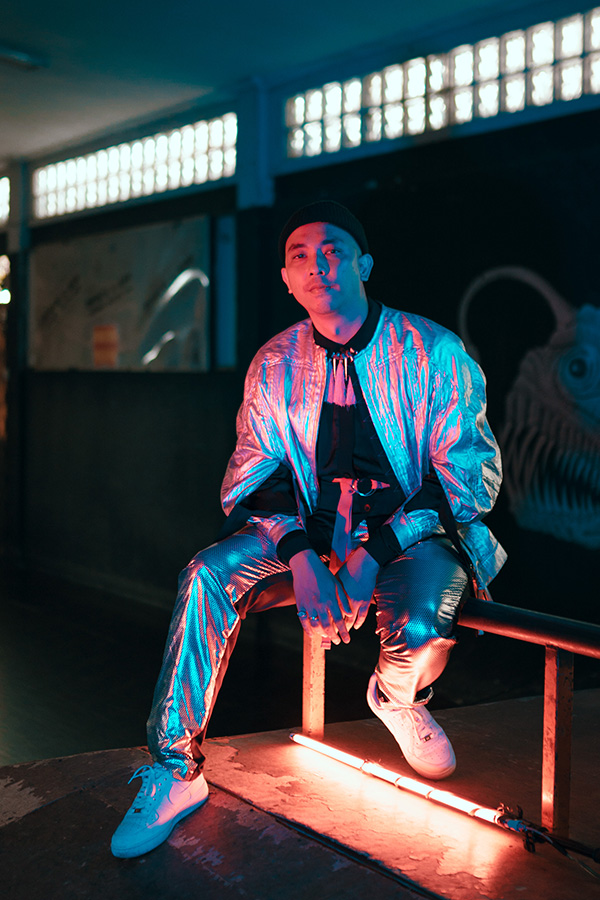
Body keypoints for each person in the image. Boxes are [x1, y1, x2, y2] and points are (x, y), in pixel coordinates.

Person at [111, 201, 506, 859]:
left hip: (411, 534)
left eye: (333, 251)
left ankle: (396, 697)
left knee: (420, 628)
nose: (317, 265)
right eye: (300, 256)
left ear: (363, 265)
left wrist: (373, 555)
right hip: (305, 531)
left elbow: (466, 473)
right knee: (206, 575)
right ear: (288, 280)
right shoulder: (275, 362)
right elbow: (254, 472)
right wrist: (300, 556)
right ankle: (176, 770)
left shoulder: (433, 350)